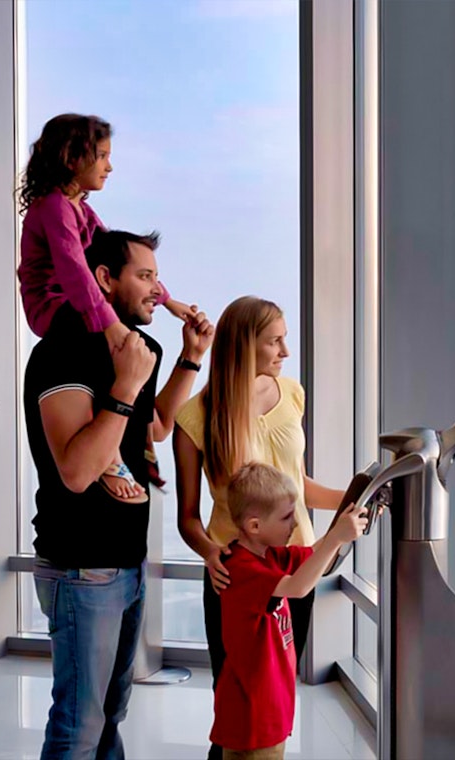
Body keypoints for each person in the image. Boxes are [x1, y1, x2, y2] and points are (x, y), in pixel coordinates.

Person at [24, 229, 213, 760]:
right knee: (78, 724)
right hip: (81, 566)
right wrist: (126, 384)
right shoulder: (60, 352)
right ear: (104, 281)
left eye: (157, 276)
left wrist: (190, 356)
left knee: (110, 714)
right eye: (145, 276)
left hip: (126, 563)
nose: (158, 290)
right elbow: (79, 471)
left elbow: (152, 427)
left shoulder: (141, 349)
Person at [173, 296, 347, 760]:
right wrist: (212, 554)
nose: (285, 351)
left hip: (296, 569)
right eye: (275, 341)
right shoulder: (194, 418)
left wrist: (351, 497)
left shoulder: (291, 393)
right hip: (237, 578)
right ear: (244, 346)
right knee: (234, 700)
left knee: (275, 693)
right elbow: (187, 518)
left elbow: (297, 485)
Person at [18, 113, 197, 504]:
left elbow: (113, 259)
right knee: (110, 349)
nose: (109, 166)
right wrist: (112, 326)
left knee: (116, 355)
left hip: (73, 301)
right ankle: (109, 458)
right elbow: (77, 271)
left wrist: (167, 302)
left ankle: (111, 444)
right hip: (51, 304)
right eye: (101, 156)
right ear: (71, 158)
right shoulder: (52, 208)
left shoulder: (80, 209)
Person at [211, 463, 367, 760]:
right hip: (251, 718)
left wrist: (344, 528)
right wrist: (337, 538)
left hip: (269, 708)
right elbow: (298, 588)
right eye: (286, 517)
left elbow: (313, 555)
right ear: (254, 526)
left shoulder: (271, 555)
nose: (295, 524)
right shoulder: (241, 568)